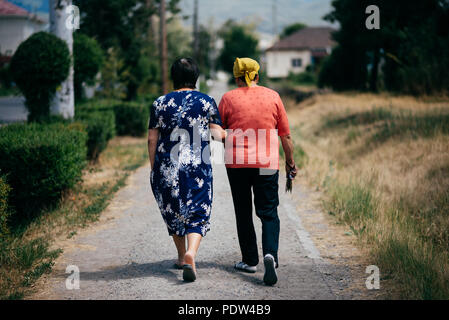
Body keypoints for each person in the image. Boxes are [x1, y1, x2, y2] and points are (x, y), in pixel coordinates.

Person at [218, 57, 298, 285]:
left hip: (237, 164)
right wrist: (290, 162)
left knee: (243, 210)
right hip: (266, 165)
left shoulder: (228, 98)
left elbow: (219, 132)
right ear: (256, 75)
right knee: (268, 211)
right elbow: (286, 136)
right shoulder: (273, 96)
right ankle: (270, 254)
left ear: (236, 78)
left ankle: (250, 260)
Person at [148, 58, 226, 282]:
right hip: (197, 167)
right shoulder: (206, 101)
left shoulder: (160, 103)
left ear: (173, 77)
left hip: (166, 166)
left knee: (172, 209)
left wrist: (155, 169)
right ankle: (192, 252)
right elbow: (217, 134)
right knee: (198, 210)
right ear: (196, 77)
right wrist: (227, 135)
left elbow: (151, 139)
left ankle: (182, 256)